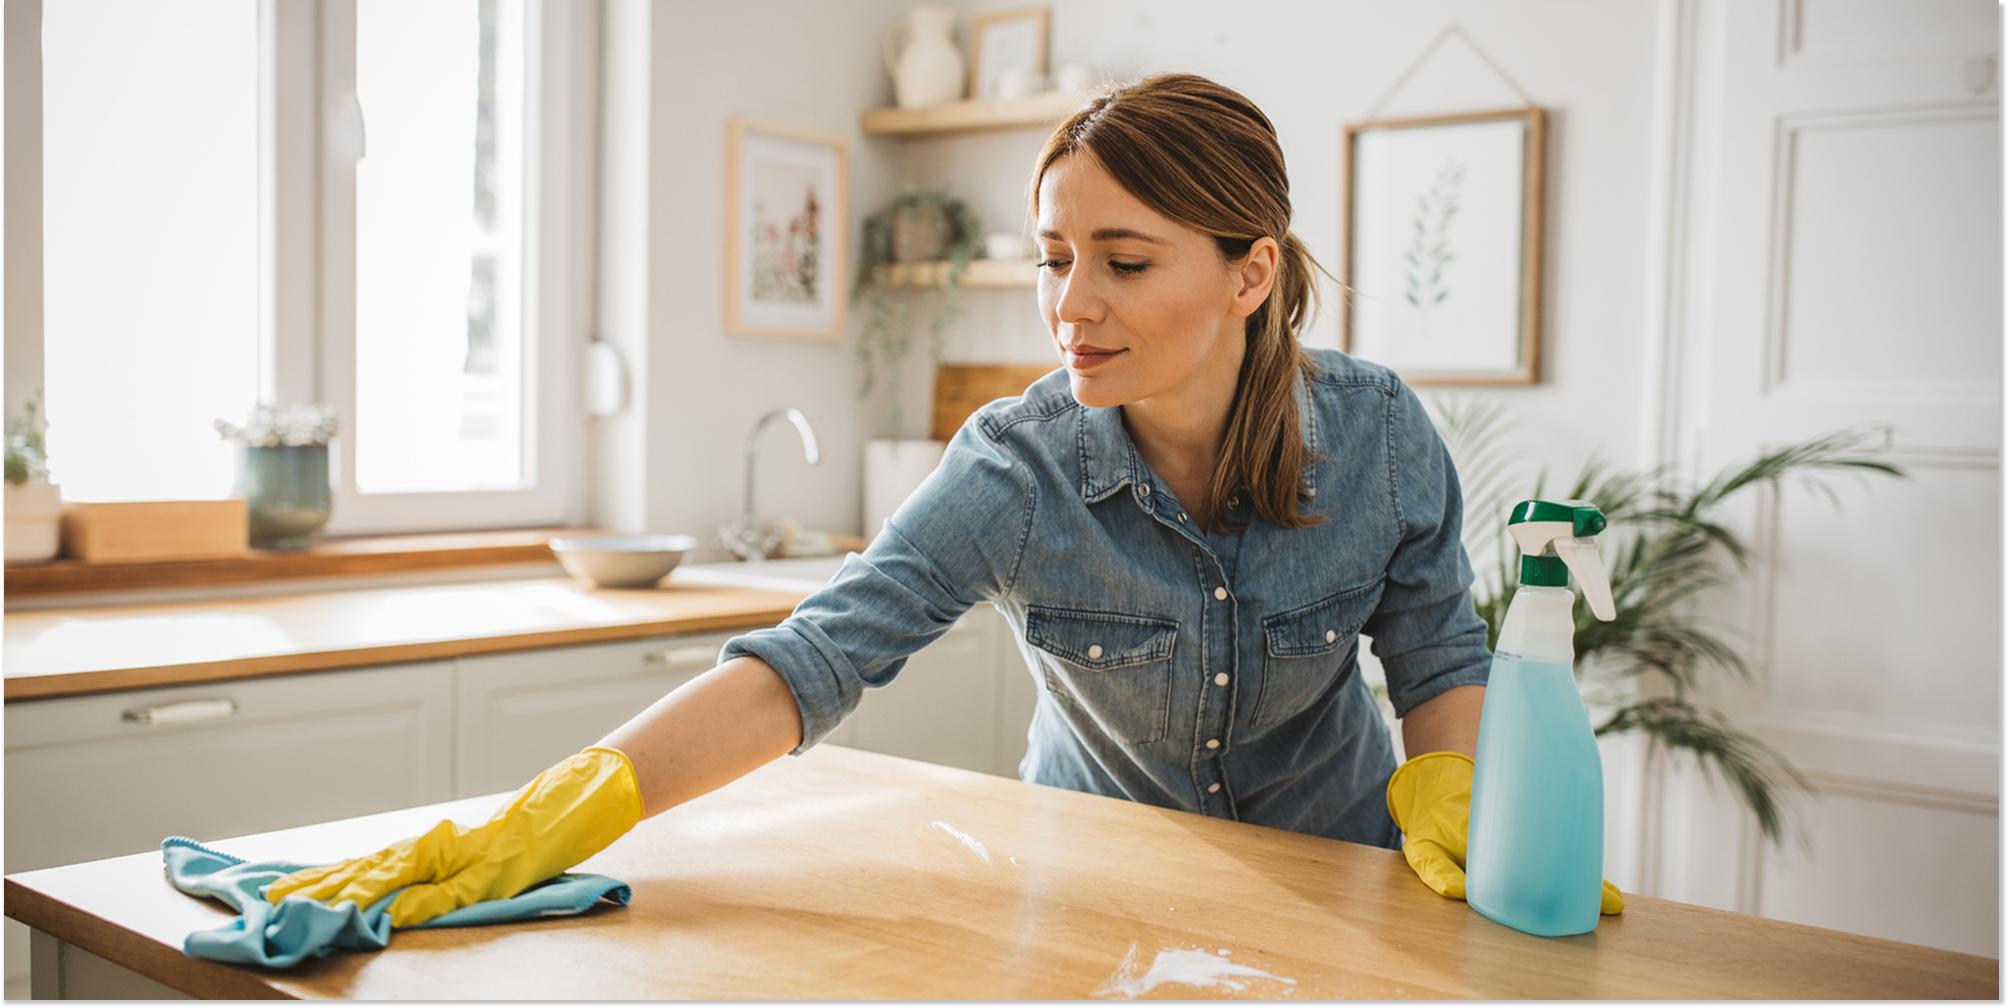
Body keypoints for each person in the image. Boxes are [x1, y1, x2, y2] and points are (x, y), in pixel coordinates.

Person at [263, 71, 1623, 927]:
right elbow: (816, 658)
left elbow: (1436, 654)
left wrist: (1455, 788)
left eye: (1124, 262)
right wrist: (559, 811)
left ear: (1250, 274)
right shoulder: (1016, 468)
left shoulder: (1378, 436)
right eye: (1052, 258)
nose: (1070, 305)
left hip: (1342, 888)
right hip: (1095, 899)